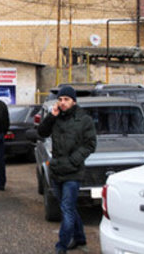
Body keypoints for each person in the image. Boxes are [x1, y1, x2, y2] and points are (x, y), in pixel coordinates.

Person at [37, 86, 96, 254]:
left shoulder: (84, 120)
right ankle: (79, 238)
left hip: (73, 172)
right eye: (60, 99)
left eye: (66, 100)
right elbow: (41, 132)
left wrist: (74, 160)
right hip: (57, 171)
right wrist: (51, 116)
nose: (63, 103)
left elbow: (90, 144)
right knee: (69, 207)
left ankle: (61, 246)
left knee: (67, 209)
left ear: (73, 101)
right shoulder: (55, 117)